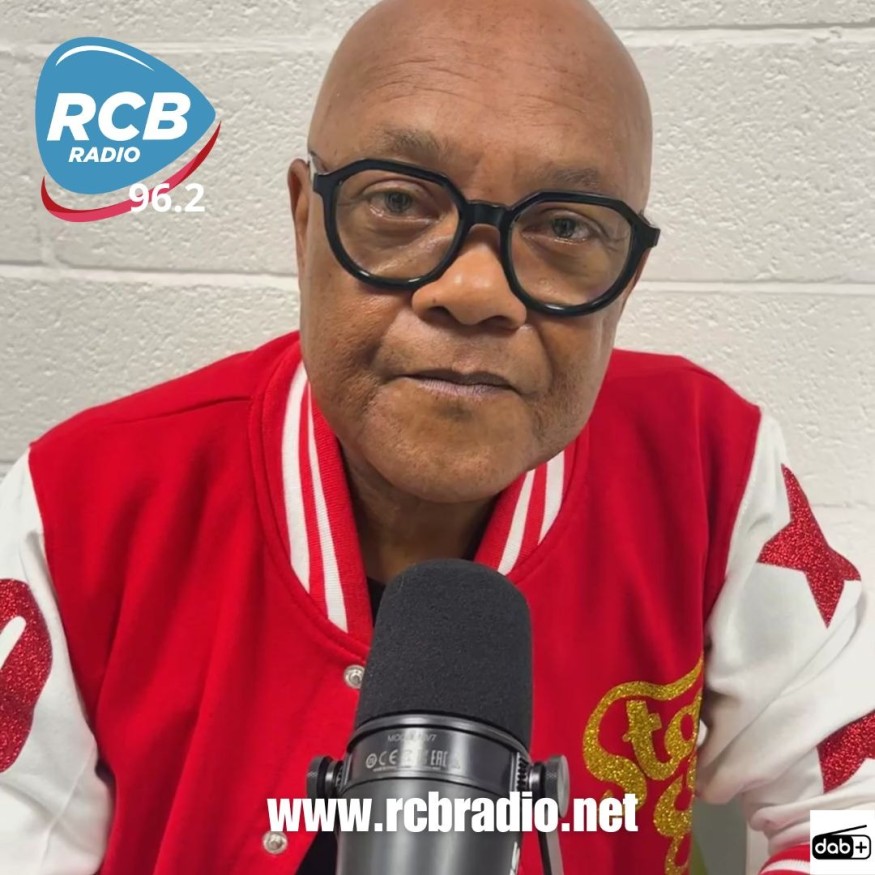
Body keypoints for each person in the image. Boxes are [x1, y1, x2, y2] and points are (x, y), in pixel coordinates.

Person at [1, 0, 872, 872]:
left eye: (565, 226)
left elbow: (853, 819)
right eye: (396, 201)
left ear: (627, 276)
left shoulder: (706, 462)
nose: (474, 289)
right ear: (305, 222)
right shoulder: (81, 502)